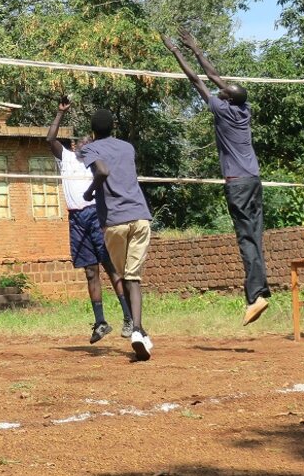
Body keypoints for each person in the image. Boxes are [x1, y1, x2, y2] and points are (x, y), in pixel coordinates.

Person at [163, 31, 272, 325]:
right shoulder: (243, 108)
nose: (220, 88)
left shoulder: (221, 109)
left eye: (224, 90)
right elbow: (214, 76)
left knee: (246, 239)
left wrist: (176, 51)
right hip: (254, 180)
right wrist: (196, 48)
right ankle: (260, 291)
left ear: (226, 98)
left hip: (237, 183)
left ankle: (255, 297)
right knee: (255, 237)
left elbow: (198, 80)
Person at [46, 98, 133, 342]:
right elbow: (50, 139)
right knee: (90, 272)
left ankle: (128, 317)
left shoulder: (95, 162)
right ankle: (101, 322)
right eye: (83, 142)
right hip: (75, 219)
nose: (86, 145)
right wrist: (59, 113)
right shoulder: (67, 158)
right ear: (74, 145)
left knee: (111, 267)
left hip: (95, 215)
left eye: (90, 142)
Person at [79, 109, 154, 361]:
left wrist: (90, 192)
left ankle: (137, 329)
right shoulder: (127, 147)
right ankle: (138, 330)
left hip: (115, 222)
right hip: (140, 217)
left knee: (126, 276)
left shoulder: (90, 149)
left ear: (92, 131)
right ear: (113, 128)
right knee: (134, 277)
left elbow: (101, 171)